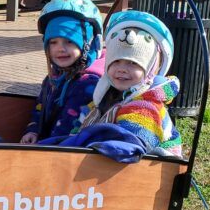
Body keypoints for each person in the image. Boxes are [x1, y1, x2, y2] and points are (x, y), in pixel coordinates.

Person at [78, 11, 182, 157]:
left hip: (150, 172)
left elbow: (131, 144)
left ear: (150, 70)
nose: (122, 69)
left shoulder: (146, 106)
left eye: (133, 63)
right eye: (116, 62)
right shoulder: (107, 97)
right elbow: (80, 128)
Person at [20, 0, 103, 144]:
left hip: (65, 152)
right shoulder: (54, 77)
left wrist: (40, 149)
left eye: (69, 41)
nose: (60, 49)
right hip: (48, 147)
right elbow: (40, 108)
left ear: (88, 44)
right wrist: (33, 130)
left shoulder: (89, 84)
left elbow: (68, 129)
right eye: (53, 42)